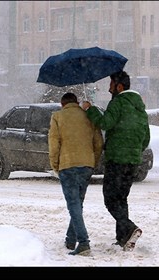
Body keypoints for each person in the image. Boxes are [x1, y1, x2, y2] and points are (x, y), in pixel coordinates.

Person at [81, 71, 150, 251]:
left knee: (110, 199)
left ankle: (129, 228)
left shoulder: (118, 102)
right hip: (133, 161)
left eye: (111, 85)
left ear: (119, 87)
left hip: (117, 160)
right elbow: (146, 139)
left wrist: (90, 109)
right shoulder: (140, 108)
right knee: (121, 199)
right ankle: (123, 238)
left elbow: (106, 122)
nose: (109, 88)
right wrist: (134, 150)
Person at [48, 92, 103, 256]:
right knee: (77, 204)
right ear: (76, 102)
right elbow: (98, 143)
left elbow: (54, 143)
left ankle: (84, 242)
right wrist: (92, 160)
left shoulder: (58, 116)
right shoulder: (88, 116)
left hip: (68, 165)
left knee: (73, 205)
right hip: (86, 165)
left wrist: (55, 165)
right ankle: (70, 239)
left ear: (62, 104)